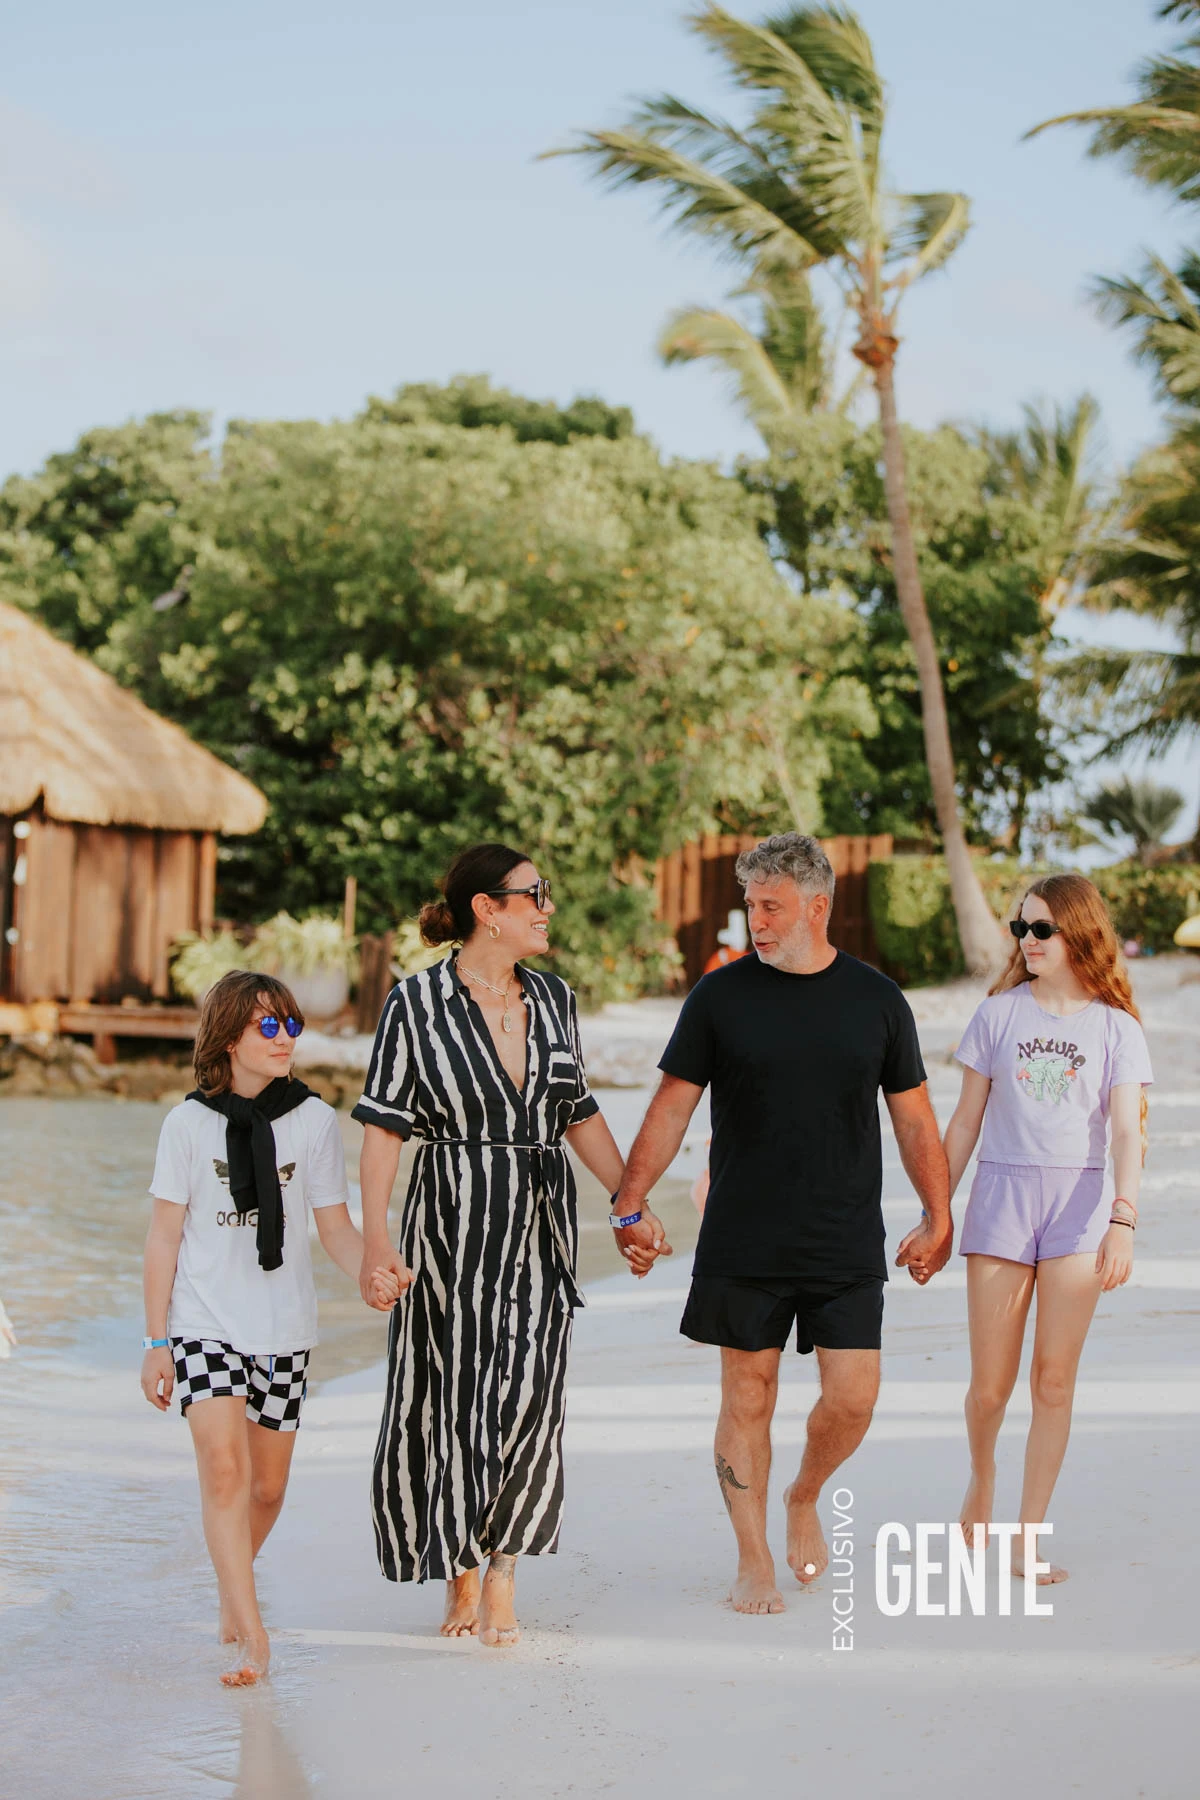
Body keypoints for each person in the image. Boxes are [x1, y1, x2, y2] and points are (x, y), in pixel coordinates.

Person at [612, 832, 952, 1615]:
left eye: (771, 907)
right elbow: (671, 1108)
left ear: (817, 907)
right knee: (748, 1395)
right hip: (743, 1236)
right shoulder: (719, 998)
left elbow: (914, 1121)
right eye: (750, 905)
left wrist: (938, 1214)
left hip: (843, 1235)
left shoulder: (877, 1001)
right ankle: (753, 1556)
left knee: (855, 1397)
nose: (756, 921)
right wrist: (629, 1203)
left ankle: (805, 1492)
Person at [354, 844, 664, 1647]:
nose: (547, 906)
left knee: (531, 1392)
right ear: (486, 909)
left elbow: (578, 1113)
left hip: (540, 1222)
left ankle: (503, 1570)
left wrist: (630, 1206)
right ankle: (457, 1563)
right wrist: (374, 1242)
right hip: (449, 1221)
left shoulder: (555, 1000)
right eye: (535, 894)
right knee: (451, 1397)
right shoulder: (414, 1005)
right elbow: (384, 1129)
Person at [140, 971, 396, 1686]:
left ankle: (233, 1585)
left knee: (267, 1491)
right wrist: (156, 1342)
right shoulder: (186, 1125)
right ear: (228, 1039)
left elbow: (336, 1230)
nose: (285, 1038)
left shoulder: (312, 1121)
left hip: (283, 1332)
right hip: (203, 1326)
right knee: (224, 1470)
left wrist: (372, 1271)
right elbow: (163, 1239)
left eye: (291, 1025)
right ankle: (253, 1635)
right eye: (268, 1026)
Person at [944, 873, 1152, 1584]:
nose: (1027, 941)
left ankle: (1027, 1536)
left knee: (1054, 1382)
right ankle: (981, 1479)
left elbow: (1127, 1129)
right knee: (989, 1390)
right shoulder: (997, 1016)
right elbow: (965, 1120)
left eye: (1041, 929)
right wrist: (936, 1208)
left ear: (1078, 935)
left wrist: (1123, 1217)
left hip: (1080, 1209)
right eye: (1020, 929)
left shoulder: (1116, 1028)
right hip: (1001, 1197)